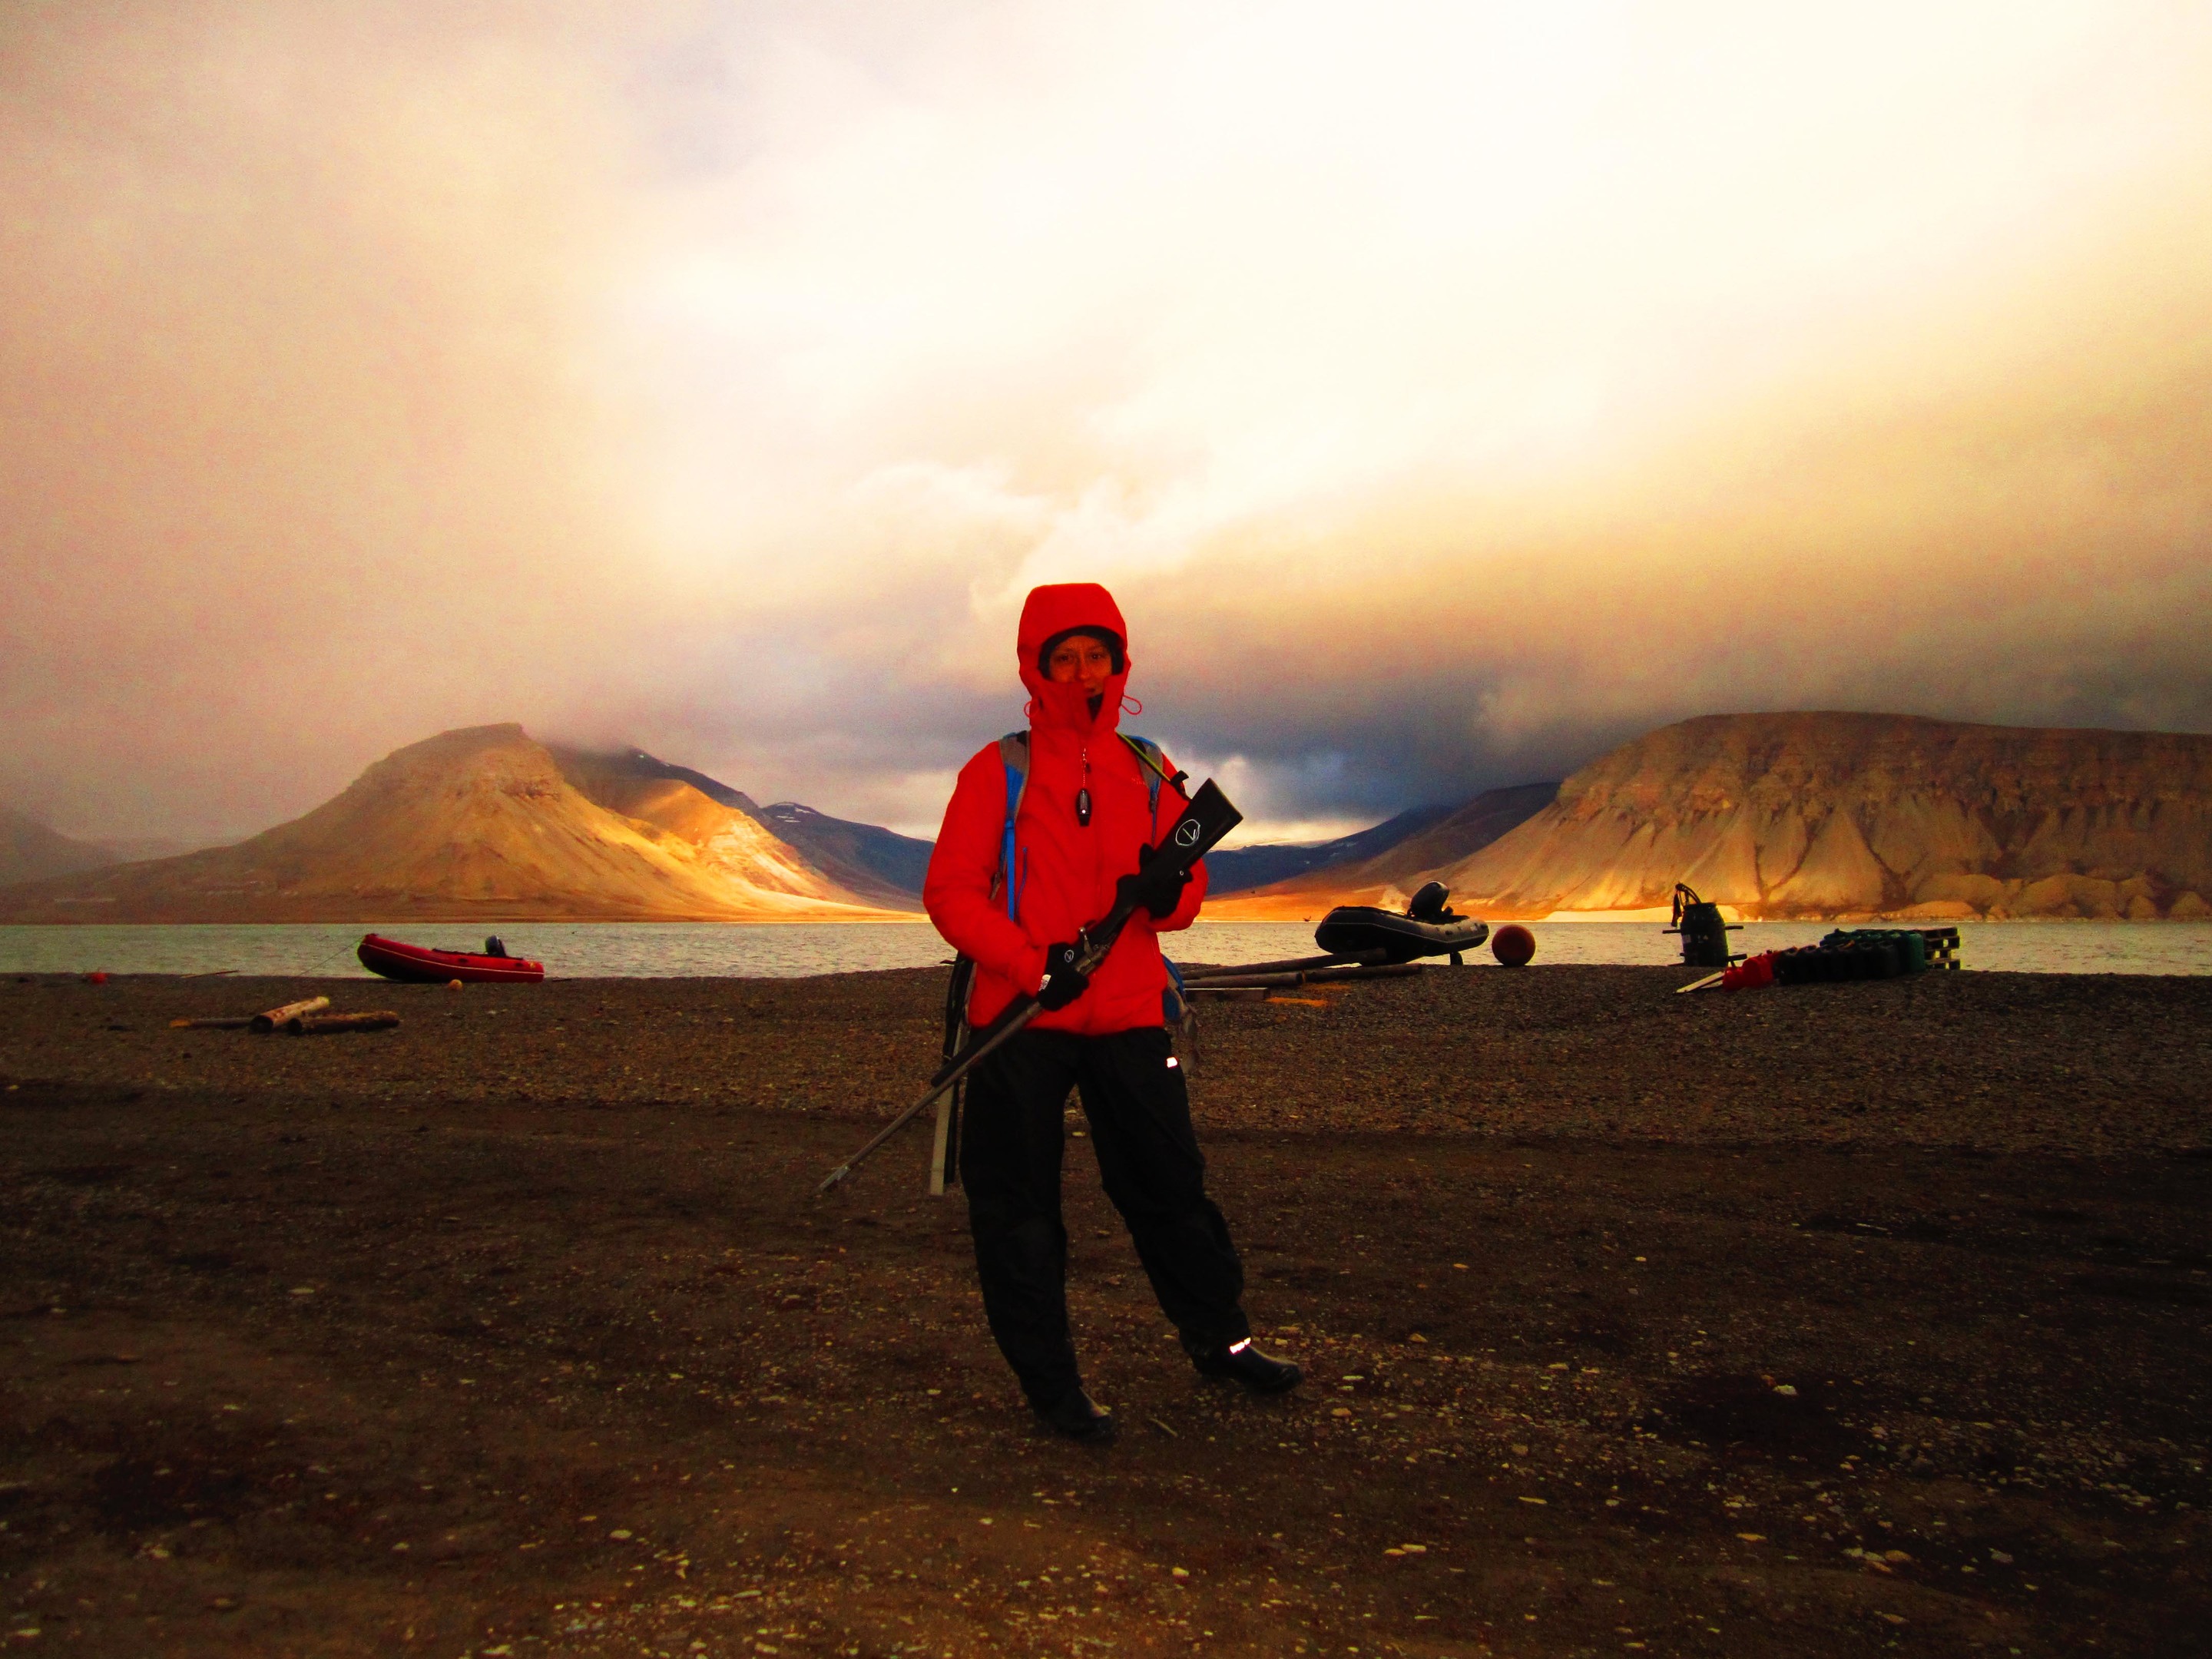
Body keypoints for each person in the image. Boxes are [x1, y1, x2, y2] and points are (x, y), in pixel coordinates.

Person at [923, 581, 1302, 1444]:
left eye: (1097, 654)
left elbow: (1186, 888)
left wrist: (1171, 889)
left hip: (1130, 1012)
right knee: (1017, 1211)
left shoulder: (1147, 764)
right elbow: (948, 893)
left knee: (1172, 1190)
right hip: (1024, 1021)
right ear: (1036, 664)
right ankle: (1052, 1387)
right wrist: (1033, 964)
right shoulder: (998, 770)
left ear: (1118, 660)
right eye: (1066, 657)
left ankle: (1225, 1342)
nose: (1083, 671)